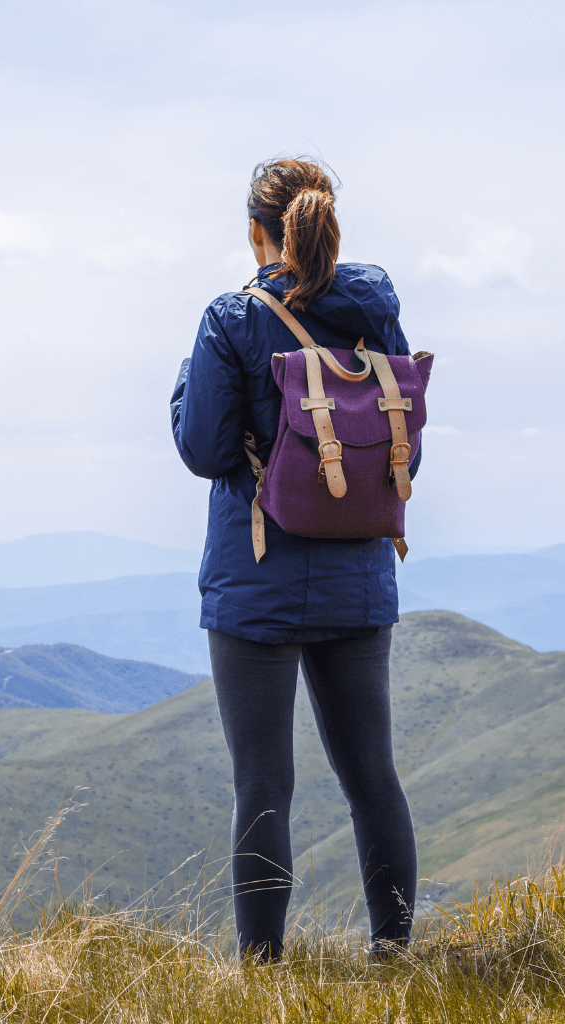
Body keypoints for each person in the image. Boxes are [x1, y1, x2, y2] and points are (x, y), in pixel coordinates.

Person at [170, 158, 419, 961]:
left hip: (257, 583)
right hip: (358, 575)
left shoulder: (230, 319)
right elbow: (402, 445)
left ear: (256, 232)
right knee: (372, 779)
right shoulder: (375, 310)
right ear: (327, 224)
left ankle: (264, 977)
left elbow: (205, 450)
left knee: (264, 789)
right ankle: (394, 956)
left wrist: (184, 385)